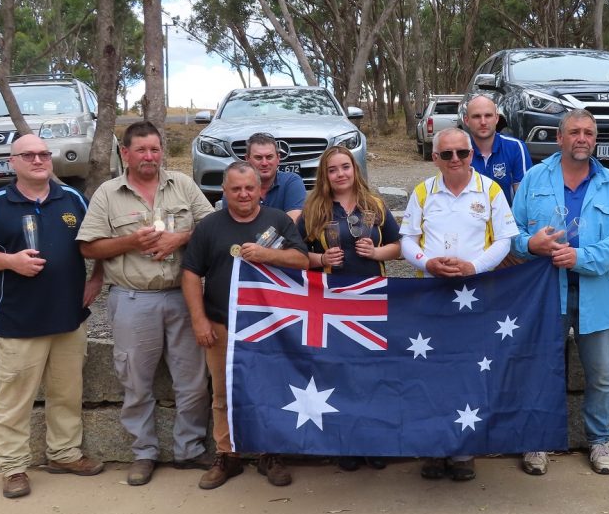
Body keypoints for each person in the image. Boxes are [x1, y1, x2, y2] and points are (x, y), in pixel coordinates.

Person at [0, 134, 105, 499]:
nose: (38, 160)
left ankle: (64, 453)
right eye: (28, 155)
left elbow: (97, 241)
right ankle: (13, 467)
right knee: (14, 399)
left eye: (43, 154)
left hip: (69, 318)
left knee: (67, 393)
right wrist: (10, 261)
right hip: (19, 321)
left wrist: (97, 278)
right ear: (13, 162)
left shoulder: (71, 199)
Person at [77, 121, 214, 487]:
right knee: (135, 380)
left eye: (155, 149)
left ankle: (190, 448)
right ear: (125, 153)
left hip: (183, 295)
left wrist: (179, 238)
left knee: (193, 380)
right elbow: (88, 246)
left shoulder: (182, 185)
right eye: (141, 150)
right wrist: (130, 243)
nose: (149, 156)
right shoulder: (108, 193)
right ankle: (144, 453)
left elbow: (213, 226)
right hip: (133, 298)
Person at [511, 110, 609, 476]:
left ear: (595, 140)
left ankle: (600, 441)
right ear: (559, 138)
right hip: (546, 296)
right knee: (541, 369)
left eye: (589, 133)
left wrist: (580, 257)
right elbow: (512, 233)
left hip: (596, 294)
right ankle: (535, 441)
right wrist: (530, 244)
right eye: (575, 132)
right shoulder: (534, 179)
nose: (582, 138)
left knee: (601, 374)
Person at [400, 127, 519, 481]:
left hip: (477, 295)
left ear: (471, 154)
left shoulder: (491, 190)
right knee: (432, 373)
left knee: (470, 372)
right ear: (435, 157)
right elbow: (406, 239)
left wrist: (475, 267)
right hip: (433, 295)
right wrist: (425, 262)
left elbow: (505, 241)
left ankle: (465, 452)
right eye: (446, 154)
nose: (455, 160)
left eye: (462, 153)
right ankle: (434, 450)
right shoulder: (423, 192)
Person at [182, 162, 309, 488]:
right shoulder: (210, 226)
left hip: (270, 327)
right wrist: (199, 320)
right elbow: (192, 273)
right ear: (224, 191)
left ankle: (271, 452)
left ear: (259, 191)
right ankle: (228, 455)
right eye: (235, 189)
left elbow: (302, 260)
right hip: (223, 325)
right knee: (223, 394)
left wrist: (269, 255)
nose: (243, 194)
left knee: (272, 389)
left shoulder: (277, 221)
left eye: (249, 188)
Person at [297, 146, 402, 471]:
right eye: (333, 169)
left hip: (371, 298)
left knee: (372, 374)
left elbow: (399, 247)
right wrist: (321, 259)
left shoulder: (376, 206)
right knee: (338, 373)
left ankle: (374, 442)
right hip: (332, 303)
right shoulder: (313, 210)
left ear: (355, 169)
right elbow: (297, 255)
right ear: (324, 176)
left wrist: (377, 252)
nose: (340, 174)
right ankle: (347, 443)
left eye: (346, 167)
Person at [464, 94, 532, 204]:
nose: (483, 122)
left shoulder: (515, 147)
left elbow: (524, 198)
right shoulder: (459, 152)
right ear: (466, 120)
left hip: (506, 218)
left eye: (488, 116)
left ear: (496, 118)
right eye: (476, 116)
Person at [224, 132, 305, 221]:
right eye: (258, 158)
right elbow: (230, 224)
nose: (264, 163)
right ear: (247, 159)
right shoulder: (236, 187)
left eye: (269, 157)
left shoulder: (291, 182)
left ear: (278, 158)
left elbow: (292, 224)